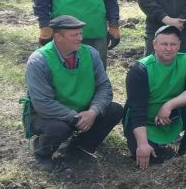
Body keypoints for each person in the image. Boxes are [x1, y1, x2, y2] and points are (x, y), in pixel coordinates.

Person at [24, 15, 124, 172]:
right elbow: (42, 103)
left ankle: (78, 149)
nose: (80, 38)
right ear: (58, 37)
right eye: (74, 35)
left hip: (84, 111)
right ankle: (43, 154)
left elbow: (104, 87)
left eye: (80, 33)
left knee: (114, 110)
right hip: (50, 115)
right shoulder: (39, 60)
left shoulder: (91, 54)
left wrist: (93, 112)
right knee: (58, 129)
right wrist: (74, 117)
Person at [123, 25, 186, 168]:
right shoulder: (140, 70)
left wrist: (169, 105)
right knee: (151, 156)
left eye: (173, 44)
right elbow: (137, 111)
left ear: (179, 45)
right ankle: (151, 144)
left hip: (171, 117)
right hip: (145, 122)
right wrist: (142, 144)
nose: (168, 48)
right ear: (154, 44)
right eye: (164, 44)